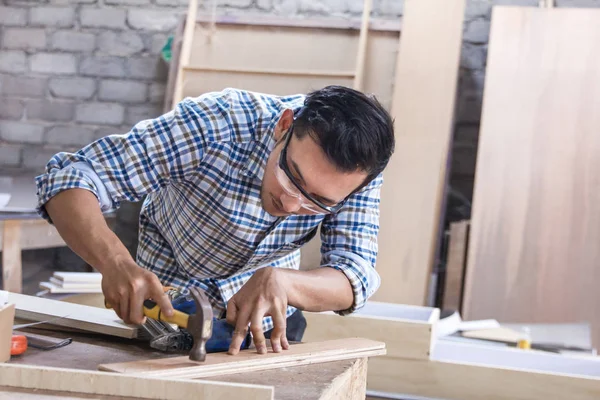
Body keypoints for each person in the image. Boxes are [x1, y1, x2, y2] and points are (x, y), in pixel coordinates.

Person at [34, 85, 395, 355]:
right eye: (291, 177)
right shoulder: (216, 123)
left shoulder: (356, 174)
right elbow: (73, 177)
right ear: (285, 126)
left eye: (316, 202)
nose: (290, 202)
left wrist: (285, 283)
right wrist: (114, 262)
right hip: (166, 319)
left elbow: (355, 273)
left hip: (264, 332)